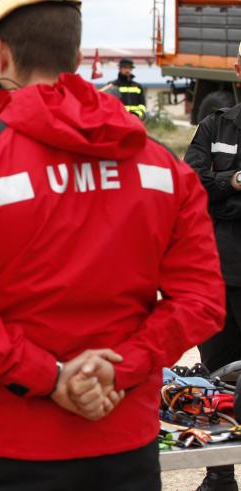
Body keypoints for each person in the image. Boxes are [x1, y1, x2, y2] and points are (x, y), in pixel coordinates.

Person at [0, 1, 225, 489]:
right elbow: (202, 302)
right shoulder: (163, 168)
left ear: (2, 55)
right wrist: (122, 369)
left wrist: (50, 377)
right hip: (121, 444)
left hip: (0, 447)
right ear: (76, 57)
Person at [183, 40, 241, 491]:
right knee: (215, 377)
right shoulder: (215, 125)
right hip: (219, 277)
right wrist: (235, 181)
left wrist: (223, 196)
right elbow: (192, 187)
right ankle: (220, 475)